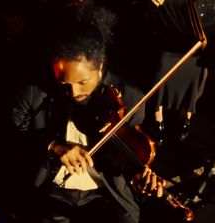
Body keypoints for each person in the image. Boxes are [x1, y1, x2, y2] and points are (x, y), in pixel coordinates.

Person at [10, 18, 166, 223]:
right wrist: (53, 147)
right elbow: (9, 135)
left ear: (100, 65)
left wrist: (138, 177)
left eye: (83, 82)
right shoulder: (35, 89)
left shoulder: (128, 97)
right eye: (64, 82)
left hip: (105, 192)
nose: (74, 92)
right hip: (51, 189)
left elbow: (127, 157)